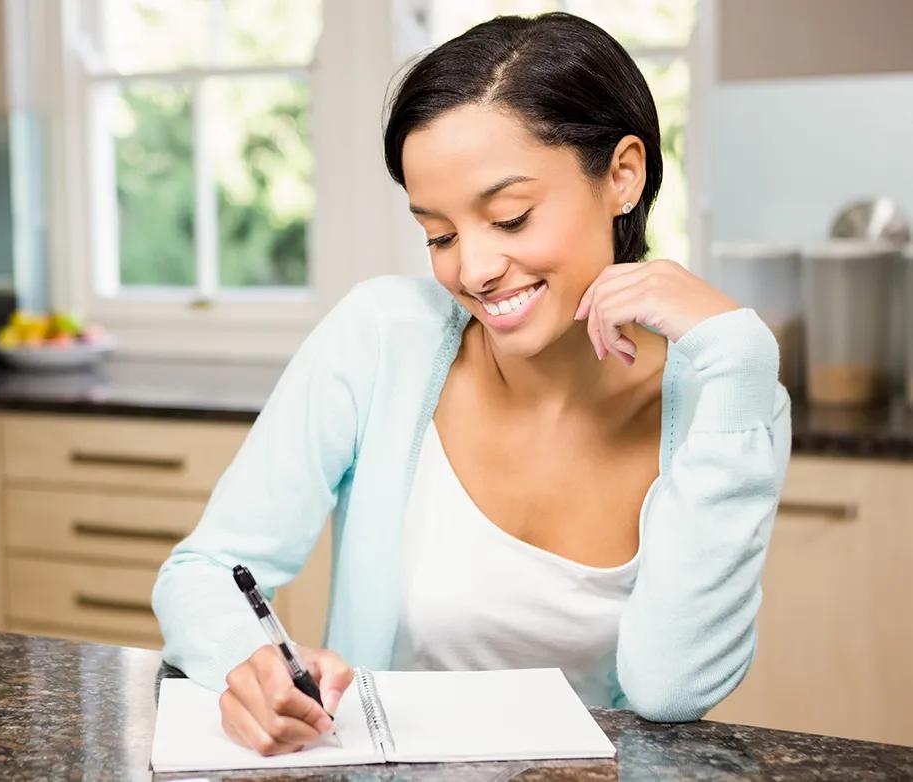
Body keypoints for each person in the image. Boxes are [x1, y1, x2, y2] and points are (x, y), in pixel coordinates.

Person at [152, 12, 790, 756]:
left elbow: (671, 687)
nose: (474, 270)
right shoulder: (383, 337)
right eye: (440, 235)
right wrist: (249, 664)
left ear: (623, 175)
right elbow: (203, 571)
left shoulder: (725, 402)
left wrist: (742, 353)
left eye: (510, 218)